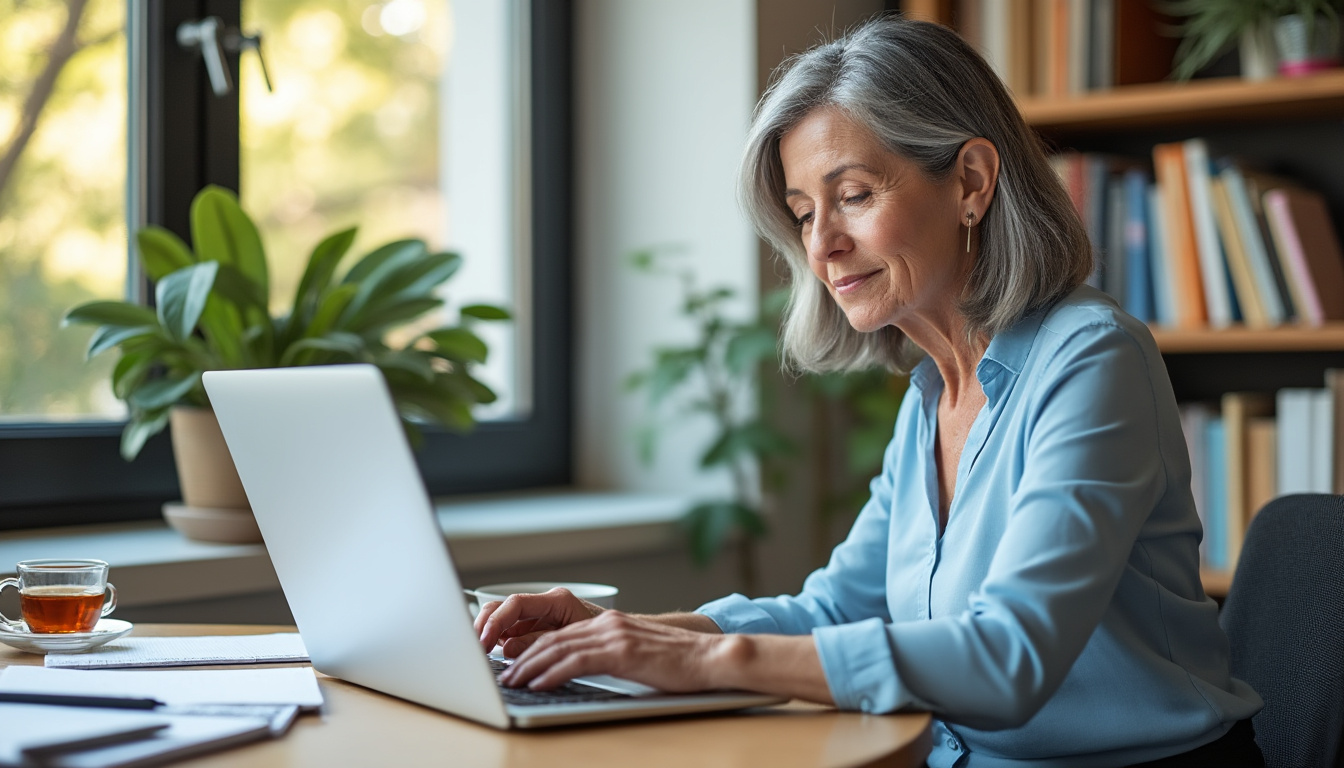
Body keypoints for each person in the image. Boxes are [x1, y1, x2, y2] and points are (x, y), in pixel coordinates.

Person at [475, 15, 1263, 767]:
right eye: (803, 212)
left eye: (853, 195)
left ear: (972, 183)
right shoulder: (934, 391)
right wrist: (626, 631)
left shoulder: (1093, 361)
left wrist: (708, 658)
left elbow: (1009, 657)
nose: (821, 245)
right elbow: (837, 610)